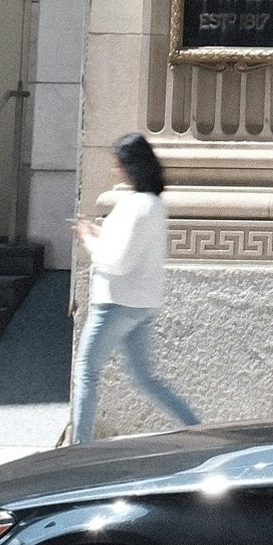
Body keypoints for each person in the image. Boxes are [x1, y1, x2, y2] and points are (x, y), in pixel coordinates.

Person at [69, 134, 201, 446]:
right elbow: (129, 249)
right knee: (146, 379)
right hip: (142, 304)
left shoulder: (136, 206)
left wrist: (88, 240)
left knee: (86, 372)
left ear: (130, 167)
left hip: (115, 303)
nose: (116, 170)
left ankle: (78, 448)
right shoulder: (153, 204)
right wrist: (98, 233)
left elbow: (117, 260)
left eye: (118, 164)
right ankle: (197, 429)